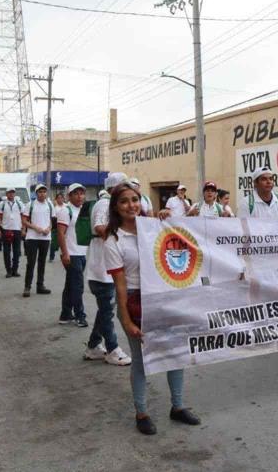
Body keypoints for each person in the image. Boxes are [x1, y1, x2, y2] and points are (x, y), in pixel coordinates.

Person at [104, 181, 201, 435]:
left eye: (134, 200)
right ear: (116, 207)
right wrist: (126, 321)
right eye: (124, 201)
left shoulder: (156, 228)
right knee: (140, 361)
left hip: (164, 297)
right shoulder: (114, 240)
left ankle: (178, 406)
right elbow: (121, 287)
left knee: (175, 353)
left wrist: (168, 219)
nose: (131, 205)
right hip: (136, 302)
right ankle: (142, 412)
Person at [84, 172, 132, 366]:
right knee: (107, 310)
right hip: (102, 270)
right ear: (115, 188)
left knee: (105, 309)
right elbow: (100, 227)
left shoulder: (108, 204)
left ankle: (93, 346)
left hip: (106, 269)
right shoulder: (105, 204)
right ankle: (112, 349)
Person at [56, 183, 88, 327]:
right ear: (69, 196)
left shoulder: (82, 210)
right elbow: (61, 233)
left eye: (82, 193)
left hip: (82, 253)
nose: (80, 196)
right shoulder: (66, 210)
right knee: (78, 286)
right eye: (76, 193)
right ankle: (80, 316)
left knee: (70, 285)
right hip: (72, 253)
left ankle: (65, 314)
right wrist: (65, 253)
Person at [22, 184, 54, 297]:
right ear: (36, 193)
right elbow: (24, 221)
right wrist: (36, 228)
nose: (42, 194)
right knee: (31, 263)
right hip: (32, 238)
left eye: (44, 192)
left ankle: (40, 285)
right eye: (40, 192)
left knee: (42, 263)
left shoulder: (49, 205)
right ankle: (27, 287)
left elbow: (52, 221)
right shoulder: (30, 205)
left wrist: (48, 229)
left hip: (45, 238)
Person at [0, 188, 23, 278]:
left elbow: (24, 217)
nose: (11, 194)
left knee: (16, 251)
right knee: (6, 252)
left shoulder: (19, 203)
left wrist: (23, 229)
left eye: (13, 192)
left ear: (14, 194)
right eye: (9, 193)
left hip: (17, 229)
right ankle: (8, 271)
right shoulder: (2, 204)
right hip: (6, 229)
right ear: (6, 194)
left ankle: (15, 270)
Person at [49, 193, 65, 262]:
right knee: (53, 243)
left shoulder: (66, 206)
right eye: (58, 198)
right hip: (56, 228)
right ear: (56, 199)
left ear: (63, 199)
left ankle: (64, 255)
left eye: (61, 198)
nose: (60, 199)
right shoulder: (54, 208)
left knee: (64, 242)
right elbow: (53, 218)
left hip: (65, 227)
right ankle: (51, 257)